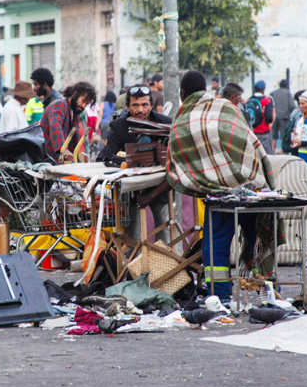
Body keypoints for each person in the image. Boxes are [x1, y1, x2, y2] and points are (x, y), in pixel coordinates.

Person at [164, 70, 277, 300]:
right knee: (258, 241)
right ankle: (271, 293)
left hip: (219, 197)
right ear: (205, 89)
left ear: (182, 93)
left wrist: (215, 181)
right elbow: (249, 142)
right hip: (252, 191)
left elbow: (177, 158)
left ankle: (221, 297)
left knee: (216, 245)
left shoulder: (182, 119)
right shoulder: (227, 108)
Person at [97, 85, 172, 244]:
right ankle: (134, 266)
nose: (140, 110)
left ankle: (166, 264)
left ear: (151, 105)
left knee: (164, 231)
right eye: (135, 105)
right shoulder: (119, 126)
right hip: (131, 190)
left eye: (144, 105)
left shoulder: (165, 123)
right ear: (128, 107)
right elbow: (104, 156)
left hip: (159, 187)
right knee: (134, 235)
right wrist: (127, 161)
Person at [40, 81, 96, 162]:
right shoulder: (60, 104)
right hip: (47, 159)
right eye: (83, 101)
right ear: (75, 93)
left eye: (86, 103)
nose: (83, 105)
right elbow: (55, 126)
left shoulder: (74, 113)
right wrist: (63, 149)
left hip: (58, 162)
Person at [248, 80, 276, 154]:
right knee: (267, 153)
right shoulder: (267, 100)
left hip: (253, 132)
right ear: (263, 89)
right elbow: (269, 118)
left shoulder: (249, 100)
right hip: (264, 132)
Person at [269, 79, 296, 151]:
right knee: (283, 135)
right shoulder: (288, 93)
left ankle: (272, 152)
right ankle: (282, 152)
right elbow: (292, 106)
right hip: (284, 117)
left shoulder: (273, 93)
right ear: (287, 85)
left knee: (274, 136)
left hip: (274, 117)